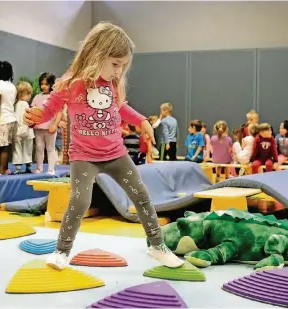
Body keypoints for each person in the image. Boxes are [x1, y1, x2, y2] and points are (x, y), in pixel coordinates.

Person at [23, 22, 184, 270]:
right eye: (115, 64)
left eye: (123, 66)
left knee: (141, 195)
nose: (119, 71)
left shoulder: (111, 84)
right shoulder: (70, 83)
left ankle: (157, 246)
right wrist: (35, 116)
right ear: (97, 56)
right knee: (79, 201)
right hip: (84, 156)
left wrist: (142, 121)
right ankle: (61, 251)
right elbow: (48, 111)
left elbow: (121, 108)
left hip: (115, 154)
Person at [31, 72, 62, 175]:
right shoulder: (36, 97)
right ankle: (39, 168)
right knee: (39, 148)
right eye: (42, 84)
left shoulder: (55, 97)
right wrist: (31, 122)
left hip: (50, 128)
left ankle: (51, 169)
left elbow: (59, 113)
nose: (43, 86)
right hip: (38, 128)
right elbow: (32, 111)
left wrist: (55, 125)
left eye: (46, 84)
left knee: (50, 148)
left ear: (52, 85)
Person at [0, 61, 17, 176]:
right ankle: (5, 169)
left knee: (3, 147)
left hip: (2, 119)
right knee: (6, 146)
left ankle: (1, 170)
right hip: (11, 118)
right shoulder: (12, 86)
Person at [12, 81, 35, 174]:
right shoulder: (25, 104)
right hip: (26, 130)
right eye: (28, 93)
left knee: (17, 148)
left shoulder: (15, 104)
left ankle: (18, 167)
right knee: (28, 148)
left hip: (17, 130)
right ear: (21, 94)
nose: (30, 96)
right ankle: (28, 165)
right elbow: (27, 117)